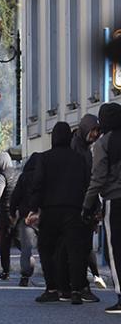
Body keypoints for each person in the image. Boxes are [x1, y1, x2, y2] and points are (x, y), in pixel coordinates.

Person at [27, 121, 92, 305]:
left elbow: (38, 184)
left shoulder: (45, 158)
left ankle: (52, 288)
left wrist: (34, 207)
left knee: (46, 248)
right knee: (75, 251)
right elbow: (87, 184)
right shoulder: (78, 159)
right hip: (74, 210)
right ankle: (76, 290)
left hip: (51, 211)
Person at [82, 102, 121, 313]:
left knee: (116, 250)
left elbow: (97, 179)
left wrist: (87, 205)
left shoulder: (103, 144)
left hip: (115, 200)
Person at [70, 114, 108, 290]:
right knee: (81, 246)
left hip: (86, 203)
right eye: (93, 130)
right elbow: (87, 180)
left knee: (84, 245)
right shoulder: (77, 149)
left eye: (97, 131)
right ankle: (82, 285)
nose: (95, 135)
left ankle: (86, 280)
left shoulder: (85, 148)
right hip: (80, 204)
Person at [9, 153, 41, 287]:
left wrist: (12, 212)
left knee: (26, 249)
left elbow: (15, 196)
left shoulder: (24, 177)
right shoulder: (44, 176)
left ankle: (25, 276)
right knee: (46, 248)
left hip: (26, 217)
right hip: (41, 216)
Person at [0, 152, 21, 280]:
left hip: (6, 214)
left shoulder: (3, 176)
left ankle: (6, 271)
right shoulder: (19, 173)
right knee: (22, 242)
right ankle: (27, 269)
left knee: (5, 243)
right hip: (19, 213)